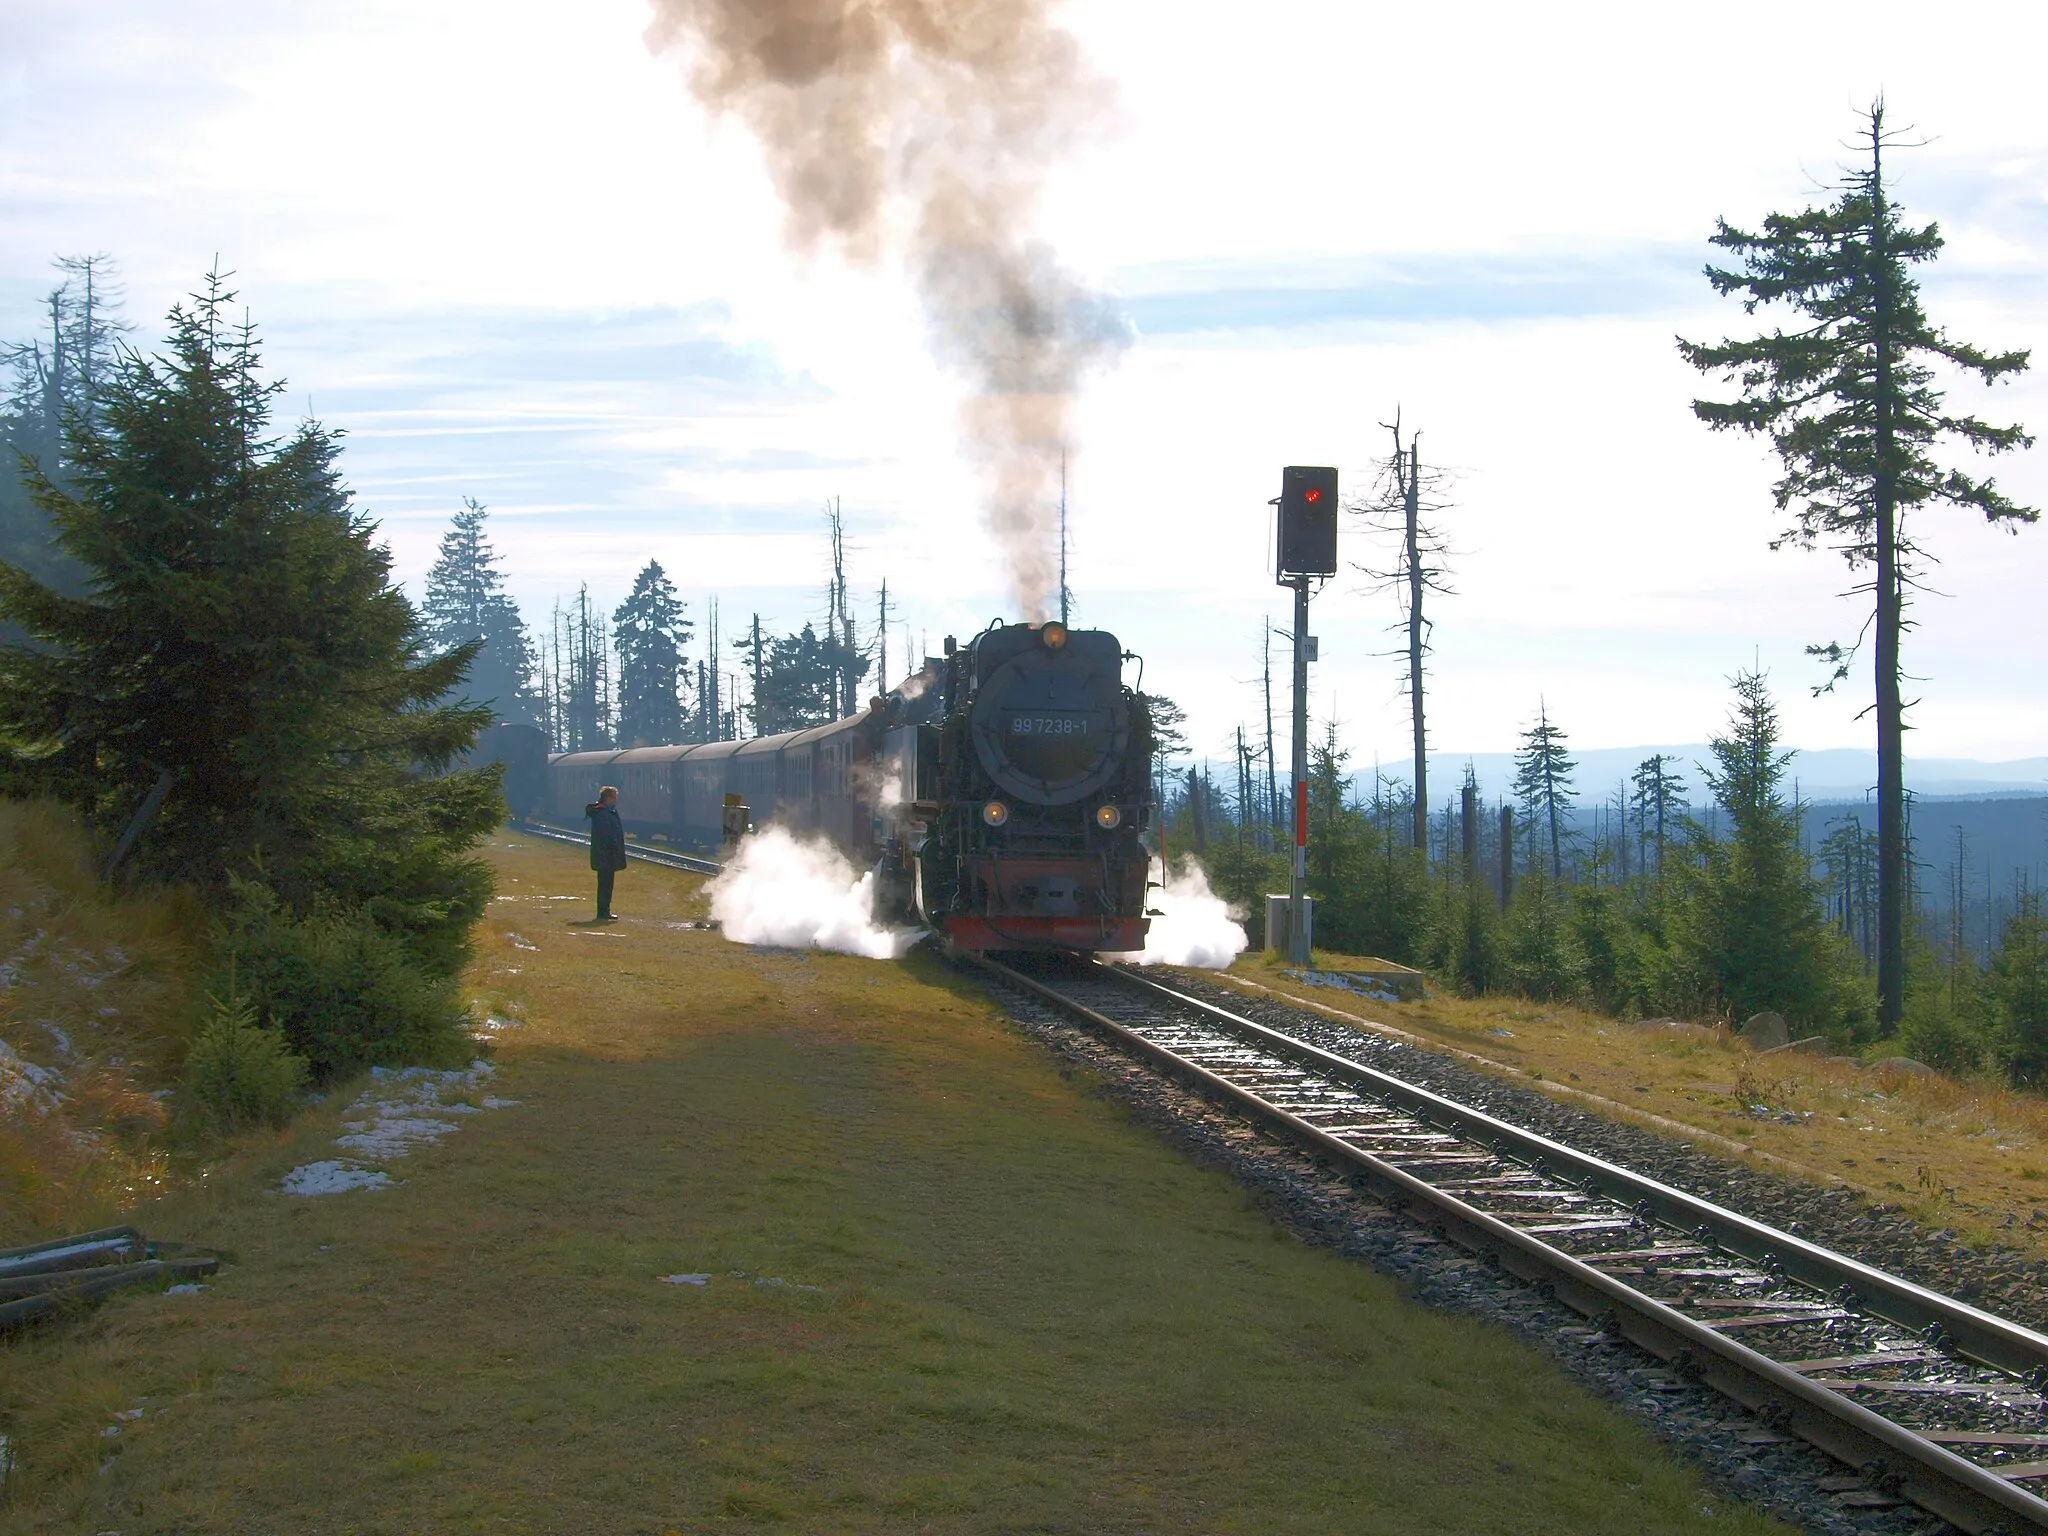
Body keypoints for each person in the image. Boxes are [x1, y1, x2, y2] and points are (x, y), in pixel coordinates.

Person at [586, 785, 626, 921]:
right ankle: (603, 912)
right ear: (608, 797)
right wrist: (614, 846)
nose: (616, 800)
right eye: (614, 797)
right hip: (605, 855)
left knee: (607, 884)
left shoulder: (607, 812)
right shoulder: (603, 813)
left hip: (606, 855)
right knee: (605, 885)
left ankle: (605, 910)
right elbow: (606, 834)